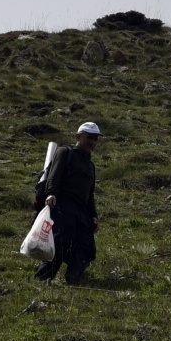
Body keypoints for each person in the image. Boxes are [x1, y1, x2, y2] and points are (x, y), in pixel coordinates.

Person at [35, 122, 101, 285]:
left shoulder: (90, 165)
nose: (92, 142)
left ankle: (74, 277)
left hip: (81, 210)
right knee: (60, 242)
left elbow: (89, 194)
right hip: (62, 204)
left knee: (86, 245)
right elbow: (54, 176)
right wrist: (51, 194)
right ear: (78, 137)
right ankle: (44, 276)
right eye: (89, 138)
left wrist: (93, 216)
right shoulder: (65, 152)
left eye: (95, 139)